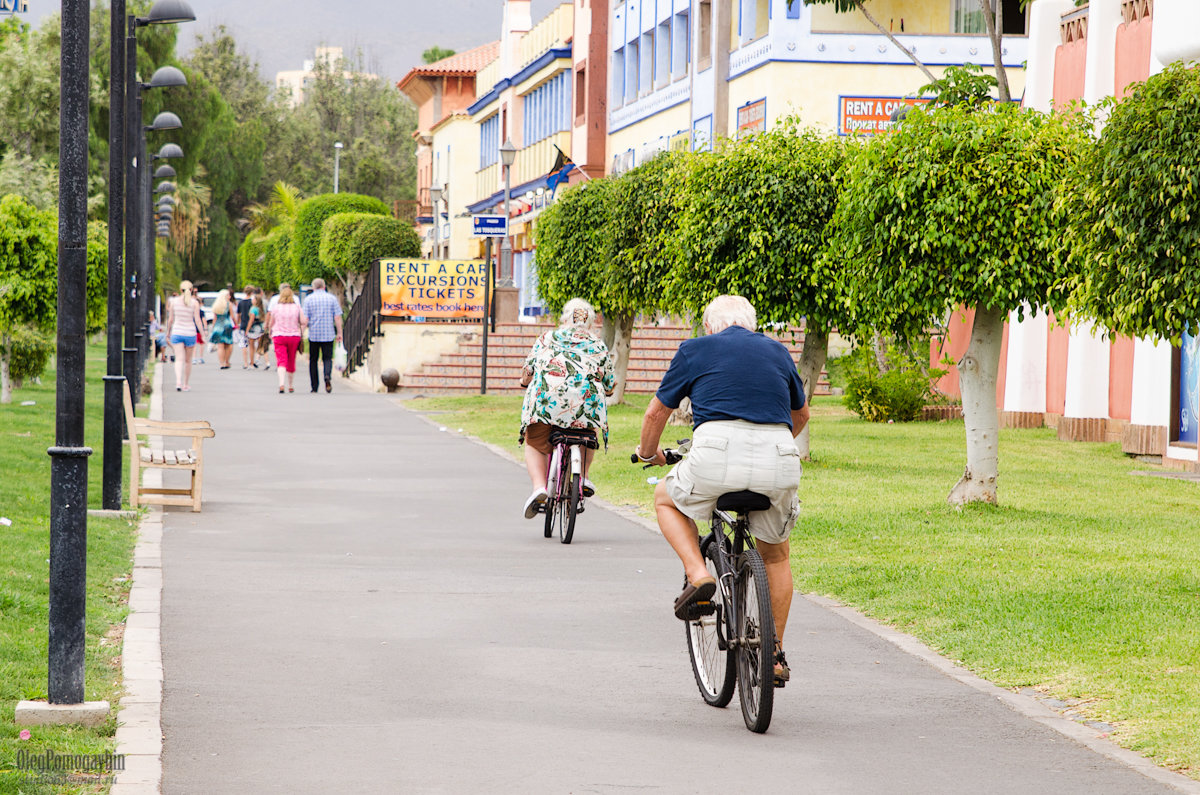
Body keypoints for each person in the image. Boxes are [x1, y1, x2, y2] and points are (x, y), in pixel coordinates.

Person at [635, 295, 809, 687]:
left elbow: (656, 412)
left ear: (711, 326)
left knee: (665, 497)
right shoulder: (778, 351)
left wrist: (648, 453)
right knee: (777, 557)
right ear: (751, 324)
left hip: (715, 453)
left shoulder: (695, 348)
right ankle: (775, 654)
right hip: (779, 456)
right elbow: (801, 415)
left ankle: (698, 573)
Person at [518, 298, 616, 519]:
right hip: (584, 407)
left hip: (547, 407)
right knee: (588, 434)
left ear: (564, 319)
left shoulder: (546, 338)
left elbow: (528, 370)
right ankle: (584, 476)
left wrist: (525, 381)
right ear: (590, 322)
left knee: (534, 442)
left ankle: (539, 488)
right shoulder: (597, 343)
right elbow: (610, 382)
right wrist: (607, 389)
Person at [302, 277, 343, 393]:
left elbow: (305, 319)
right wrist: (339, 332)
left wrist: (301, 332)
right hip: (328, 334)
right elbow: (337, 317)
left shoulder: (308, 299)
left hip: (314, 334)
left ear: (313, 287)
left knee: (313, 360)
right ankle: (327, 376)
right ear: (324, 287)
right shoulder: (332, 298)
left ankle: (314, 386)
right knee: (327, 358)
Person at [166, 280, 206, 391]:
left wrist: (168, 333)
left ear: (180, 290)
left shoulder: (174, 302)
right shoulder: (194, 303)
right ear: (192, 290)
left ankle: (178, 382)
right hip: (190, 333)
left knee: (179, 359)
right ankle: (185, 384)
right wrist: (202, 334)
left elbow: (170, 320)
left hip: (177, 332)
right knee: (188, 361)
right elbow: (198, 320)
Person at [267, 284, 307, 393]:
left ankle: (281, 383)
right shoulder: (297, 307)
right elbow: (304, 321)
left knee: (281, 360)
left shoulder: (276, 307)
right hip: (294, 336)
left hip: (279, 335)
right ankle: (290, 385)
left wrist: (270, 332)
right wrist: (301, 331)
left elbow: (271, 323)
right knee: (291, 360)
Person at [209, 289, 236, 369]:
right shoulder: (229, 304)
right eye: (228, 295)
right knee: (229, 344)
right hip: (227, 325)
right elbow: (232, 316)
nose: (229, 296)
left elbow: (215, 318)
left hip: (218, 325)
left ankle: (222, 363)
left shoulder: (216, 305)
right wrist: (236, 324)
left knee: (220, 346)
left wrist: (213, 328)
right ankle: (227, 362)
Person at [246, 290, 268, 368]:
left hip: (253, 329)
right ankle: (267, 362)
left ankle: (251, 363)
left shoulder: (253, 309)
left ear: (256, 301)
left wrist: (247, 330)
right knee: (261, 346)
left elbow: (251, 320)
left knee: (251, 347)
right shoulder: (262, 309)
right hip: (261, 328)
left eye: (253, 299)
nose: (252, 300)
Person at [235, 285, 255, 368]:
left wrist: (237, 323)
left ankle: (245, 363)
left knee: (243, 344)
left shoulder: (241, 302)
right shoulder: (253, 302)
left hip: (243, 324)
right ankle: (252, 362)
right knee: (252, 345)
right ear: (252, 292)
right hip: (252, 325)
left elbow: (238, 314)